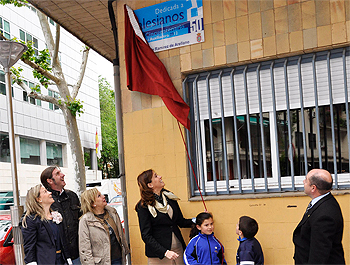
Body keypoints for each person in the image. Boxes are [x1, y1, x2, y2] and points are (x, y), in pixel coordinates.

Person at [135, 169, 193, 264]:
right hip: (159, 255)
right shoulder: (143, 206)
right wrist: (165, 252)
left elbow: (180, 221)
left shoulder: (170, 197)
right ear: (150, 185)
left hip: (178, 249)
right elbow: (146, 235)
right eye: (156, 176)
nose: (160, 177)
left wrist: (198, 220)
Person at [293, 169, 345, 264]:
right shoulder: (323, 202)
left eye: (306, 180)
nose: (303, 182)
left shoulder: (325, 215)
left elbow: (319, 254)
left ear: (313, 188)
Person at [21, 184, 72, 265]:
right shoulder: (31, 220)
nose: (50, 193)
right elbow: (29, 247)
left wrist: (68, 259)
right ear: (38, 199)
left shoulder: (56, 215)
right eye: (45, 192)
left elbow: (63, 241)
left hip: (61, 261)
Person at [41, 166, 82, 264]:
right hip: (58, 257)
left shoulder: (72, 196)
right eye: (58, 174)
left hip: (77, 254)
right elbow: (28, 218)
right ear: (50, 181)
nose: (63, 175)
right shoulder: (45, 200)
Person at [79, 188, 129, 265]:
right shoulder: (86, 220)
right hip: (100, 262)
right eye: (99, 196)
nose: (103, 196)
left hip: (117, 258)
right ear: (92, 203)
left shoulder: (112, 213)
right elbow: (85, 248)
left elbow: (120, 235)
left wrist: (125, 250)